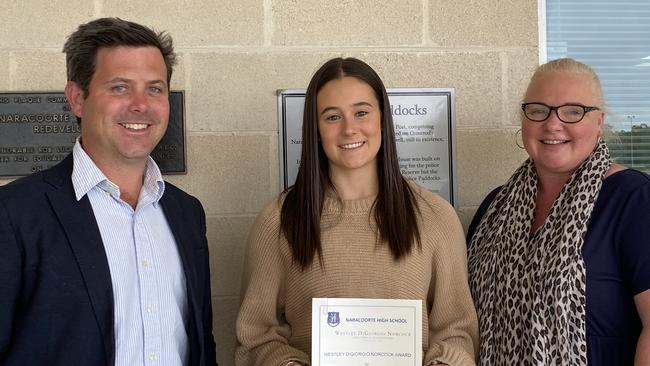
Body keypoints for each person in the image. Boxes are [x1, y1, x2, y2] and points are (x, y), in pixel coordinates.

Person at [0, 18, 217, 365]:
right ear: (77, 99)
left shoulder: (186, 213)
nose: (140, 105)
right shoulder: (14, 215)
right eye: (119, 87)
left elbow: (200, 342)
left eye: (154, 88)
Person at [235, 57, 478, 366]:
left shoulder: (436, 218)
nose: (350, 129)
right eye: (332, 117)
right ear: (315, 129)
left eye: (361, 112)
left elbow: (457, 331)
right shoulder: (278, 222)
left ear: (382, 120)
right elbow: (255, 336)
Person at [467, 58, 650, 365]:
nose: (553, 124)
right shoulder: (494, 208)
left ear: (599, 122)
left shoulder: (634, 200)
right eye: (538, 110)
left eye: (573, 111)